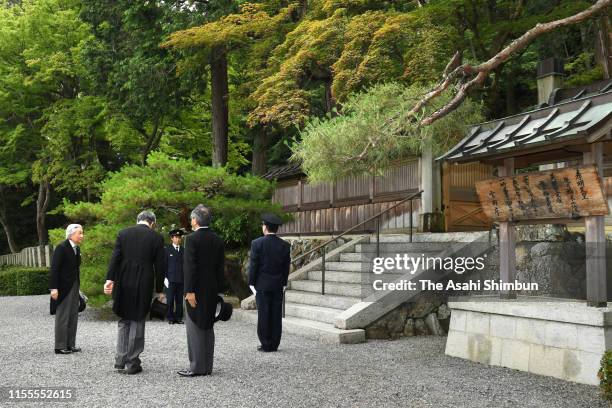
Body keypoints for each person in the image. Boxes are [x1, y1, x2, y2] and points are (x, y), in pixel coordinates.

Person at [104, 210, 165, 375]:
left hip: (123, 281)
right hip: (143, 282)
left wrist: (109, 280)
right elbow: (160, 266)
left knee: (124, 319)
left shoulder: (123, 234)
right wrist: (159, 289)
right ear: (152, 223)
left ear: (137, 220)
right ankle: (132, 362)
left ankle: (120, 361)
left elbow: (115, 258)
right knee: (138, 320)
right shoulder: (156, 238)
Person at [178, 204, 225, 377]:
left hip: (195, 290)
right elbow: (221, 268)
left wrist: (189, 291)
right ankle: (207, 366)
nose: (190, 221)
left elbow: (190, 267)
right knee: (207, 326)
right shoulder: (217, 239)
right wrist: (219, 290)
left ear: (196, 220)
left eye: (191, 218)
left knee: (195, 327)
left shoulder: (191, 239)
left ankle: (197, 367)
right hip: (211, 289)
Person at [248, 213, 290, 352]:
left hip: (262, 284)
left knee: (264, 313)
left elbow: (254, 265)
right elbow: (286, 267)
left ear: (265, 227)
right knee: (276, 314)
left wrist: (251, 282)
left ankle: (266, 343)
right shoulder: (284, 245)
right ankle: (275, 343)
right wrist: (284, 283)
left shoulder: (257, 243)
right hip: (278, 284)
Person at [49, 224, 84, 355]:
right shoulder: (62, 247)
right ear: (71, 235)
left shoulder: (76, 248)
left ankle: (70, 344)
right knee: (63, 316)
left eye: (82, 233)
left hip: (74, 285)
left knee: (73, 315)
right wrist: (53, 288)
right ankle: (60, 346)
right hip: (63, 287)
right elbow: (54, 269)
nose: (82, 235)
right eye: (79, 233)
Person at [165, 229, 185, 324]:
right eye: (176, 237)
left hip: (181, 279)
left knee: (179, 300)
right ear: (172, 238)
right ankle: (170, 318)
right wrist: (164, 278)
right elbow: (164, 265)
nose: (178, 239)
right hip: (170, 279)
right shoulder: (167, 250)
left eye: (179, 237)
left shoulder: (184, 250)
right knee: (170, 300)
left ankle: (179, 318)